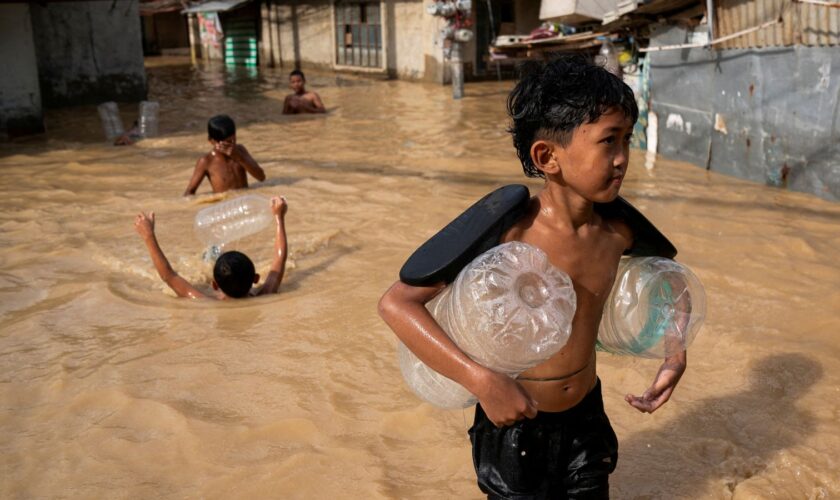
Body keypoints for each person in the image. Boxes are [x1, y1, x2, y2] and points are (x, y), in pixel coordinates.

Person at [378, 56, 687, 498]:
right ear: (548, 156)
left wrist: (675, 354)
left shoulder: (618, 231)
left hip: (586, 416)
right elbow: (396, 303)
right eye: (607, 142)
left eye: (627, 140)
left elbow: (672, 279)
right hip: (513, 424)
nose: (622, 159)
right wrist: (480, 381)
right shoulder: (509, 230)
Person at [134, 196, 289, 299]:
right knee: (212, 253)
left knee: (210, 254)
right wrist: (278, 218)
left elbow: (169, 276)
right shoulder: (266, 294)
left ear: (214, 285)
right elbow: (279, 259)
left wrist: (148, 235)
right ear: (256, 278)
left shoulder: (202, 301)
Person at [183, 115, 266, 196]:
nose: (232, 145)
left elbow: (261, 177)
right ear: (212, 141)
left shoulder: (240, 150)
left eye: (234, 139)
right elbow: (189, 192)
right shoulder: (206, 161)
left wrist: (240, 158)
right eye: (228, 142)